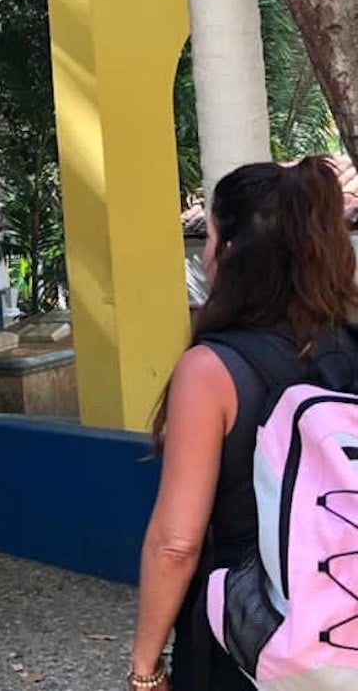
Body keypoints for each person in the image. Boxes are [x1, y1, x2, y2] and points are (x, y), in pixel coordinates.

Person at [129, 157, 358, 690]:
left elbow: (175, 544)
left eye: (208, 237)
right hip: (344, 629)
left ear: (229, 250)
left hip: (246, 635)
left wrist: (144, 669)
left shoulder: (212, 371)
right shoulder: (351, 348)